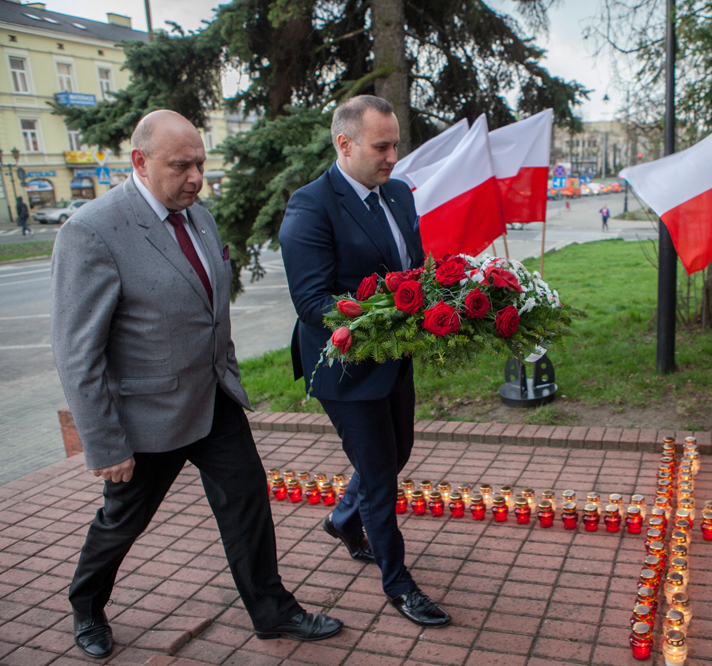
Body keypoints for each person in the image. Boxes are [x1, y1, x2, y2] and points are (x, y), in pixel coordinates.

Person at [50, 110, 342, 660]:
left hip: (213, 400)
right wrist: (104, 443)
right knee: (122, 521)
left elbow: (211, 312)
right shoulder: (91, 231)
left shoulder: (199, 218)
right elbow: (76, 351)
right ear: (140, 161)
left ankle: (272, 612)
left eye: (201, 164)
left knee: (247, 501)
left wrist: (227, 372)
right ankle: (86, 605)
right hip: (147, 417)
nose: (195, 178)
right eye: (181, 166)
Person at [279, 96, 450, 628]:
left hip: (395, 358)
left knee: (398, 453)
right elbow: (312, 303)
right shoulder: (310, 206)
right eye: (382, 146)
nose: (393, 156)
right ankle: (398, 584)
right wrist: (388, 318)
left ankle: (343, 520)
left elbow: (410, 267)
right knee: (380, 476)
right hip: (345, 368)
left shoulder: (397, 193)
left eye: (395, 144)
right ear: (345, 144)